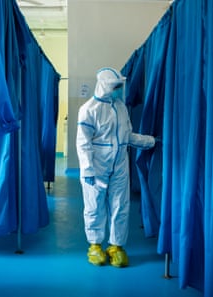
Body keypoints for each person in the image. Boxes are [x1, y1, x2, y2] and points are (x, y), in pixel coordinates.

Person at [76, 67, 156, 267]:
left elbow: (127, 137)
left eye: (120, 86)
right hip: (96, 166)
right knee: (94, 206)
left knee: (121, 206)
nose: (119, 90)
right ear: (104, 86)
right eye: (115, 87)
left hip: (120, 163)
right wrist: (87, 169)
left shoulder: (120, 107)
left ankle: (116, 246)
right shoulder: (88, 109)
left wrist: (151, 141)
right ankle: (94, 246)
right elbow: (83, 143)